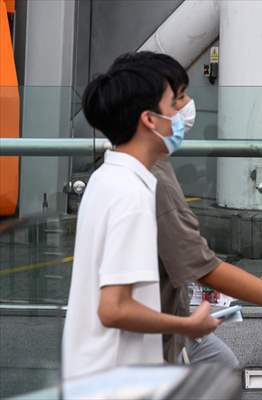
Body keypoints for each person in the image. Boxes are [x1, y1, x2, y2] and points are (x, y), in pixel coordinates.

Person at [108, 52, 262, 367]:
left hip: (169, 323)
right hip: (150, 342)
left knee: (222, 366)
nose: (189, 106)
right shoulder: (151, 182)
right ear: (149, 117)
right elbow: (205, 269)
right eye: (178, 100)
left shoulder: (134, 166)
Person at [62, 58, 221, 379]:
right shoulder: (132, 194)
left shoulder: (106, 177)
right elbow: (115, 309)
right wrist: (188, 325)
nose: (181, 114)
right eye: (175, 102)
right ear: (150, 119)